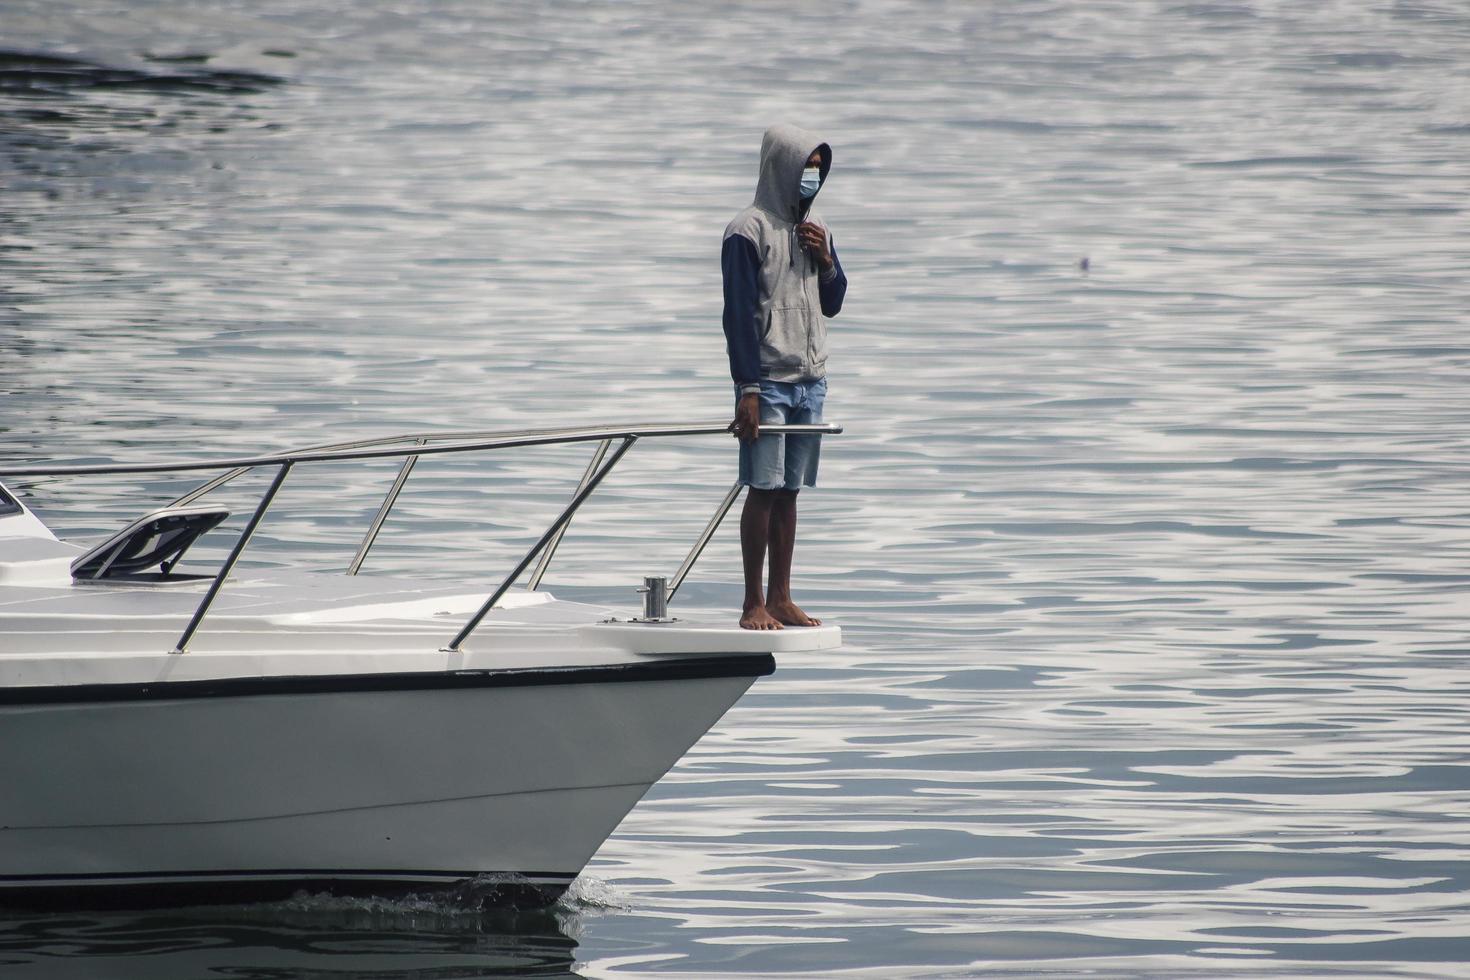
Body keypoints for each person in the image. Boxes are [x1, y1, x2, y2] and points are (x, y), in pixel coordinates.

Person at [722, 124, 847, 630]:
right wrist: (747, 389)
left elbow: (834, 303)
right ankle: (753, 601)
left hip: (810, 378)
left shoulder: (819, 228)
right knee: (763, 486)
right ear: (782, 167)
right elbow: (737, 315)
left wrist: (826, 258)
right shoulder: (747, 230)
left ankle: (782, 596)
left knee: (790, 490)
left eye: (818, 170)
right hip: (768, 378)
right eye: (804, 168)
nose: (811, 178)